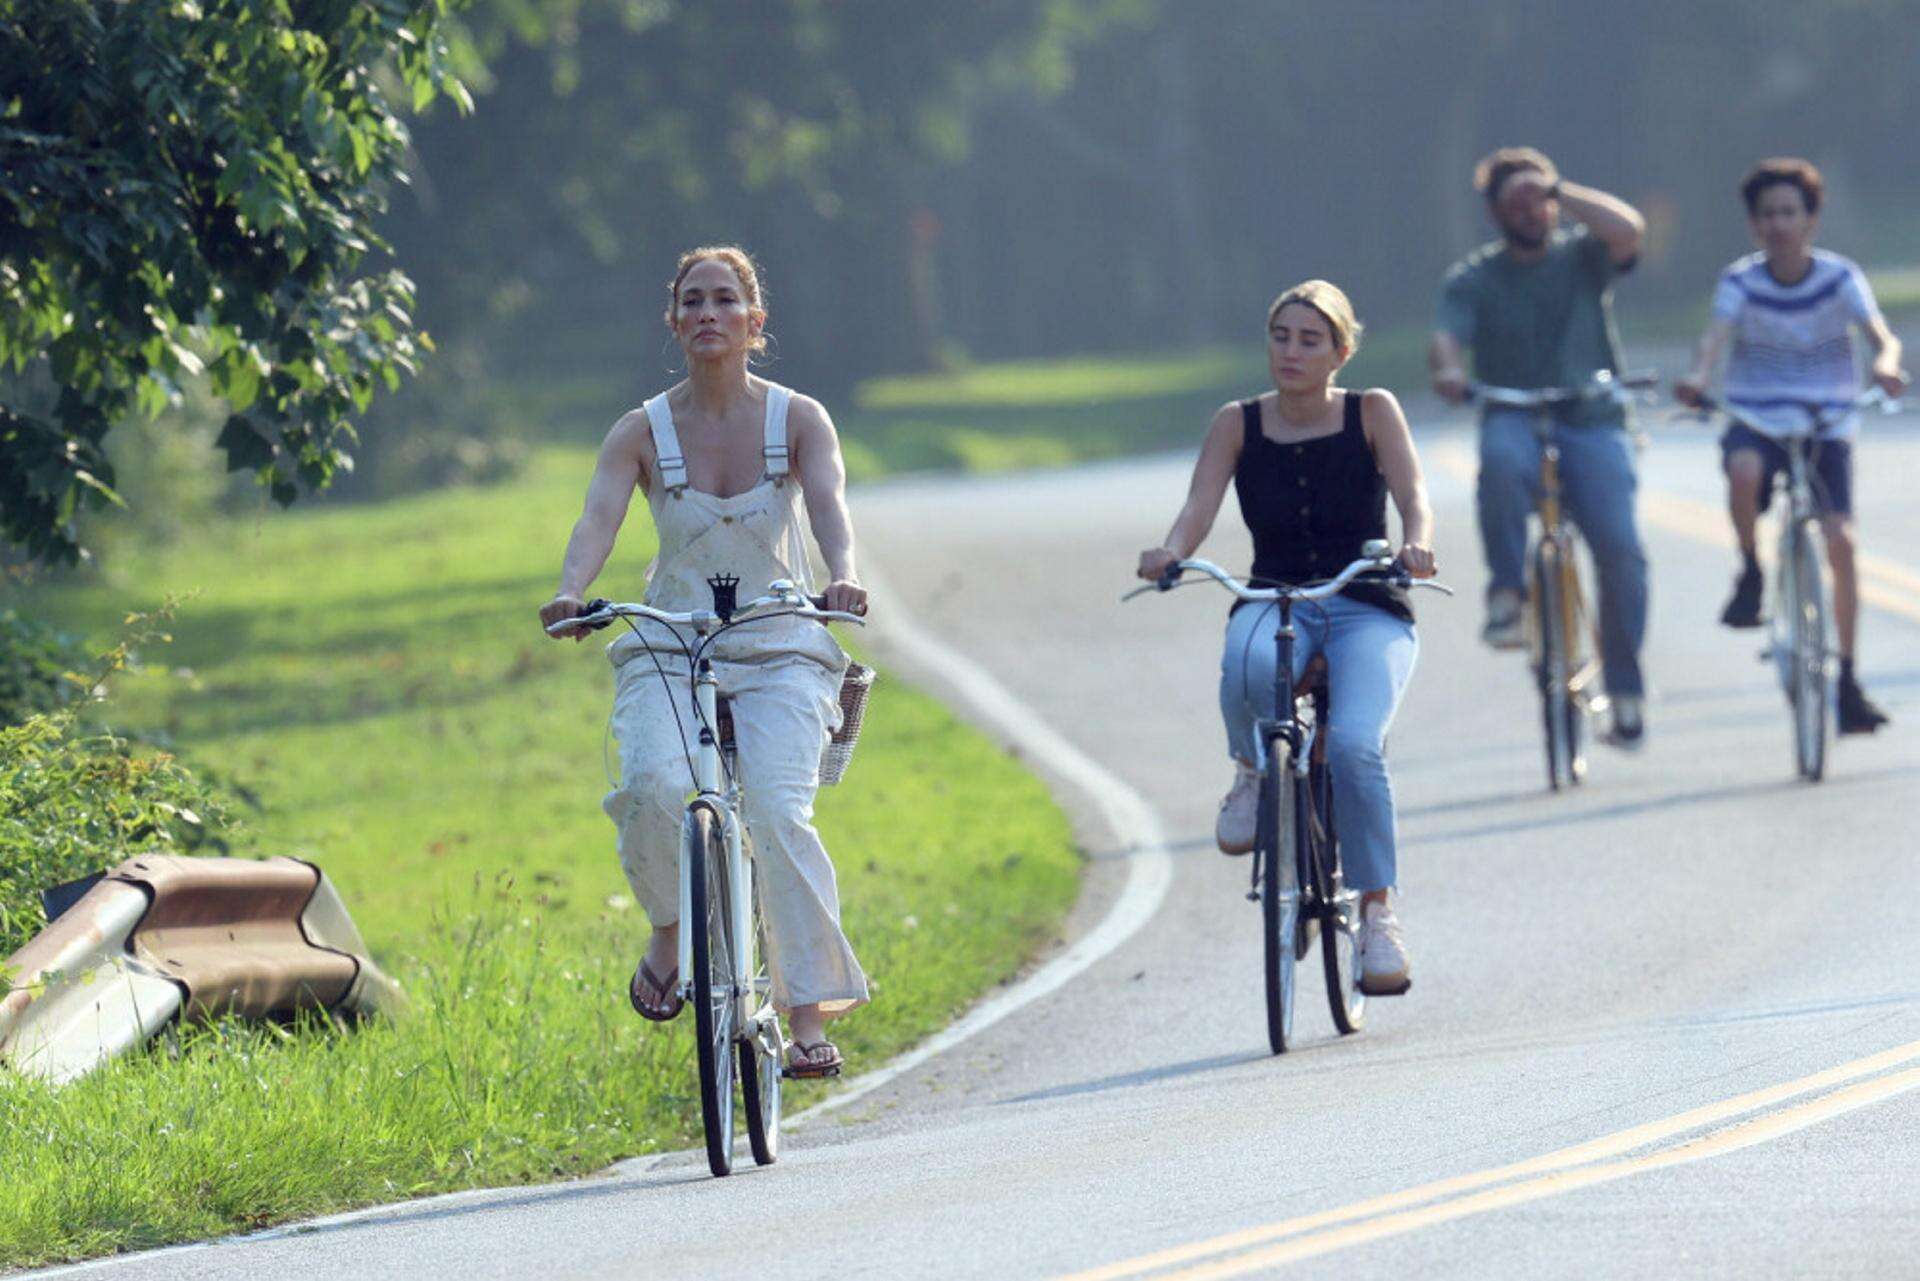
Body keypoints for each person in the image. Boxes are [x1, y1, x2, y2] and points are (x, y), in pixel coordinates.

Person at [538, 245, 868, 1077]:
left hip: (779, 638)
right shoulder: (639, 431)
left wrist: (844, 578)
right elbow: (597, 521)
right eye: (693, 301)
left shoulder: (799, 419)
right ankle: (669, 928)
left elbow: (830, 506)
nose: (709, 314)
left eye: (726, 300)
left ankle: (804, 1012)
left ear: (756, 323)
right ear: (674, 321)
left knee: (779, 811)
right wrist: (573, 591)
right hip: (670, 639)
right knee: (650, 786)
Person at [1137, 281, 1437, 996]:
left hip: (1364, 601)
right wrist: (1170, 550)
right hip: (1277, 598)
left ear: (1341, 351)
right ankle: (1249, 771)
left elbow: (1413, 495)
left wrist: (1418, 542)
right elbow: (1198, 508)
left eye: (1310, 339)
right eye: (1281, 336)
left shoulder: (1373, 411)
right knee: (1243, 662)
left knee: (1359, 745)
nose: (1292, 351)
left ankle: (1377, 914)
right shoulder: (1237, 423)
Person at [1428, 146, 1652, 747]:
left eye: (1539, 199)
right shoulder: (1473, 278)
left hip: (1591, 414)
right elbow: (1447, 339)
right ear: (1494, 213)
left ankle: (1625, 691)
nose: (1530, 211)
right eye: (1515, 202)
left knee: (1621, 550)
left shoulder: (1583, 256)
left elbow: (1629, 230)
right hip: (1514, 411)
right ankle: (1507, 594)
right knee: (1499, 462)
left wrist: (1558, 185)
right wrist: (1450, 373)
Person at [1675, 158, 1908, 734]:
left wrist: (1886, 363)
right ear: (1754, 225)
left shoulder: (1839, 276)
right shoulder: (1740, 281)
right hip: (1757, 412)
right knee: (1745, 469)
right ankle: (1752, 568)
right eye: (1768, 215)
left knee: (1842, 541)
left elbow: (1881, 335)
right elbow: (1714, 340)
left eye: (1790, 212)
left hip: (1826, 416)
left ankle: (1847, 678)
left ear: (1811, 219)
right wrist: (1700, 377)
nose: (1780, 224)